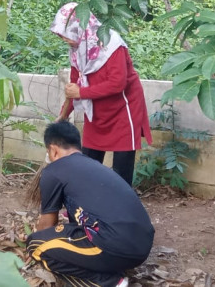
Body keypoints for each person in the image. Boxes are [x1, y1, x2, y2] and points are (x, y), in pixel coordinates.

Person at [26, 121, 155, 287]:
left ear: (53, 150)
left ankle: (110, 282)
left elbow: (47, 224)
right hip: (141, 247)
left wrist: (36, 238)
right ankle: (109, 268)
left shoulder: (54, 171)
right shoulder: (94, 167)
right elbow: (78, 224)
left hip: (114, 245)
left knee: (36, 245)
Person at [52, 2, 153, 185]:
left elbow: (118, 83)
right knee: (89, 160)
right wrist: (63, 115)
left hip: (124, 108)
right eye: (61, 35)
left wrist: (82, 92)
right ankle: (85, 204)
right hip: (97, 108)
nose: (64, 39)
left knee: (121, 166)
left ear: (80, 26)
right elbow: (74, 86)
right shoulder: (77, 51)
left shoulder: (111, 43)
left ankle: (120, 207)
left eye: (66, 34)